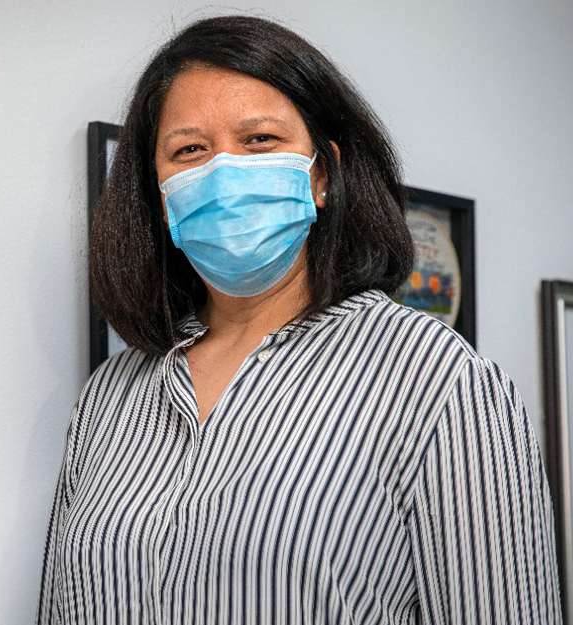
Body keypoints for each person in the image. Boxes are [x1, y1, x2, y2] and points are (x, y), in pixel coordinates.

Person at [37, 15, 561, 625]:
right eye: (189, 150)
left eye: (259, 140)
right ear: (160, 195)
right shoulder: (110, 397)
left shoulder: (439, 383)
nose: (223, 172)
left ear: (320, 175)